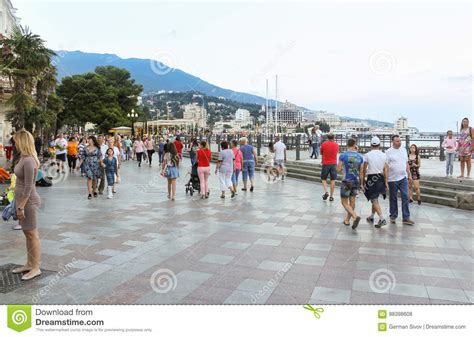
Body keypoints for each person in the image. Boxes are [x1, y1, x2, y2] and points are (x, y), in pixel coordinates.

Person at [11, 129, 42, 281]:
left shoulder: (29, 160)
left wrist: (21, 206)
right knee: (27, 233)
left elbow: (29, 186)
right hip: (21, 200)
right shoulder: (23, 157)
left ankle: (36, 267)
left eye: (16, 141)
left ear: (22, 141)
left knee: (32, 234)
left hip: (28, 202)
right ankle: (29, 263)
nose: (14, 143)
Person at [386, 135, 415, 225]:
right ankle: (393, 216)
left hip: (403, 177)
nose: (399, 142)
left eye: (400, 141)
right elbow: (386, 167)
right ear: (393, 142)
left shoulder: (404, 150)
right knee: (393, 197)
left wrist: (409, 175)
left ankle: (406, 217)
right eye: (397, 141)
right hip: (392, 179)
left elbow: (406, 163)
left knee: (405, 196)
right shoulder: (388, 152)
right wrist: (386, 179)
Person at [361, 136, 388, 228]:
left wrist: (363, 180)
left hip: (371, 177)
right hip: (380, 177)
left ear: (371, 145)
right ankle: (372, 216)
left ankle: (382, 218)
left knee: (374, 199)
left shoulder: (367, 155)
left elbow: (364, 169)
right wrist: (386, 182)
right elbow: (385, 170)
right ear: (379, 145)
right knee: (375, 198)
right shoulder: (384, 155)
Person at [337, 138, 364, 230]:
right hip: (356, 181)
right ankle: (347, 220)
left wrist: (343, 170)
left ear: (347, 145)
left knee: (344, 202)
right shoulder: (360, 157)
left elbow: (338, 169)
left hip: (346, 181)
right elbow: (361, 173)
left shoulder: (343, 155)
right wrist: (361, 184)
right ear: (355, 144)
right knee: (352, 201)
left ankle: (355, 216)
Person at [320, 133, 339, 201]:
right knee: (333, 180)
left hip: (325, 163)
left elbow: (321, 153)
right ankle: (331, 196)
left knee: (323, 179)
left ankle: (326, 191)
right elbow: (337, 152)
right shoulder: (336, 145)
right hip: (334, 164)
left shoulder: (324, 144)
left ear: (327, 137)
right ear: (333, 137)